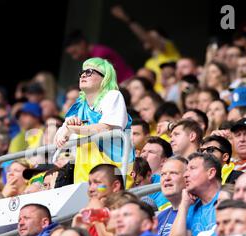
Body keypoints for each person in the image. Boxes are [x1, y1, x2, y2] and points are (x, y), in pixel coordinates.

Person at [54, 57, 133, 186]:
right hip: (83, 176)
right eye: (82, 72)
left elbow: (106, 128)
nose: (83, 75)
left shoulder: (113, 96)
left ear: (105, 78)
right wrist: (67, 131)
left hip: (111, 172)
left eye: (90, 71)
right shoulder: (78, 106)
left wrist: (74, 129)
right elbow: (58, 140)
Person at [110, 5, 180, 93]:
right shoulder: (149, 63)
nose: (148, 39)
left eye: (153, 36)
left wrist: (128, 20)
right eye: (148, 36)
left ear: (163, 38)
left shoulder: (170, 48)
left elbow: (146, 37)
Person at [169, 152, 222, 236]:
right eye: (186, 170)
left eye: (192, 169)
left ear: (211, 173)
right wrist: (183, 205)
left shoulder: (228, 197)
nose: (185, 175)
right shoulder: (190, 208)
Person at [64, 30, 134, 83]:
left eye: (74, 52)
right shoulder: (91, 57)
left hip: (127, 83)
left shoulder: (99, 55)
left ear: (82, 43)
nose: (74, 57)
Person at [157, 156, 188, 236]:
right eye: (163, 174)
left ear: (187, 178)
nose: (166, 178)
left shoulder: (197, 210)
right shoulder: (160, 217)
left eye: (173, 173)